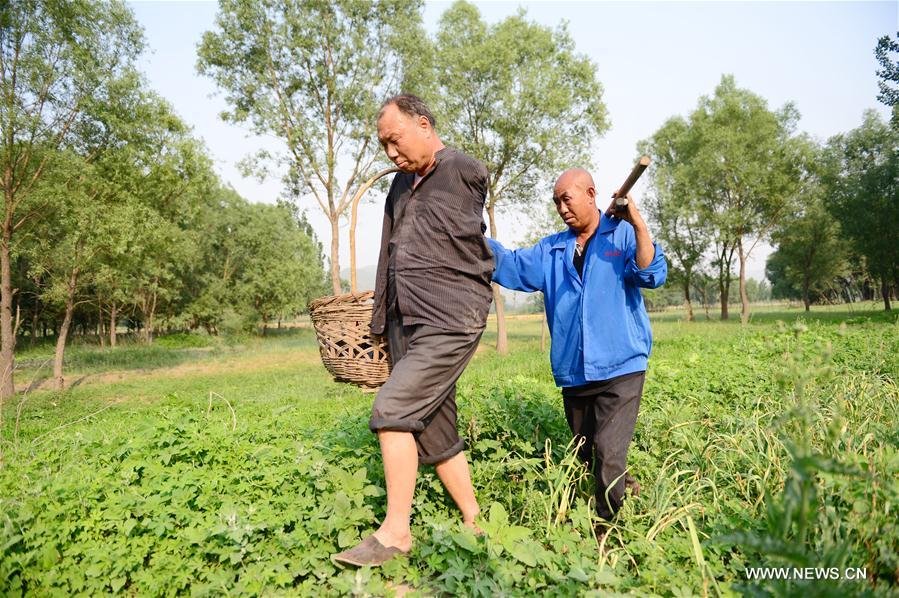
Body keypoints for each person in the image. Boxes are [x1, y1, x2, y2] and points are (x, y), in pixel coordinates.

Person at [332, 94, 494, 567]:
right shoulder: (399, 186)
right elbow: (388, 254)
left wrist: (433, 169)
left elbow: (473, 192)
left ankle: (396, 533)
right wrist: (381, 320)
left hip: (450, 317)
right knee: (436, 425)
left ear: (424, 125)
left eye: (395, 139)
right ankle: (474, 519)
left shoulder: (462, 170)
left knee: (393, 408)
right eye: (383, 144)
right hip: (407, 318)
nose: (390, 152)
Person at [487, 168, 667, 523]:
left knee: (608, 449)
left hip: (621, 366)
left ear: (590, 193)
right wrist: (468, 236)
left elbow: (651, 274)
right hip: (575, 369)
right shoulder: (552, 249)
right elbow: (511, 265)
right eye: (556, 202)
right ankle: (623, 483)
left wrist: (638, 223)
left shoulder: (622, 235)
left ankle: (607, 527)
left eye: (566, 199)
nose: (561, 208)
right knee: (588, 452)